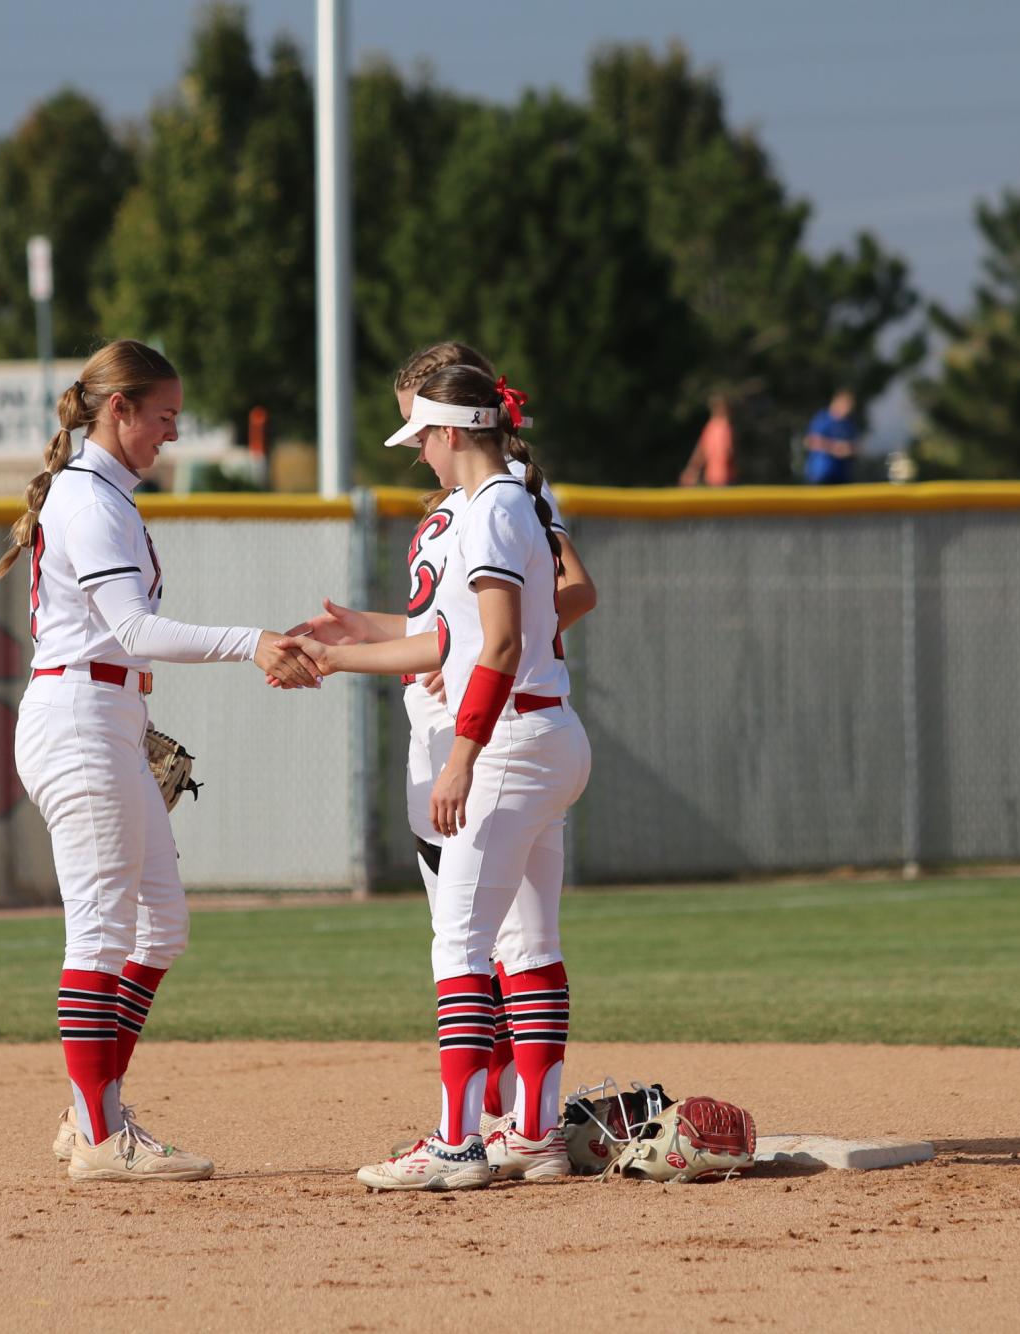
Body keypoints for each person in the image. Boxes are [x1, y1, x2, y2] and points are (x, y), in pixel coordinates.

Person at [0, 338, 318, 1183]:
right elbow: (133, 631)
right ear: (119, 409)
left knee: (159, 926)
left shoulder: (102, 494)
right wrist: (251, 643)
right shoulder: (89, 499)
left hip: (105, 710)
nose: (172, 432)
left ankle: (89, 1109)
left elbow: (121, 641)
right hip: (78, 713)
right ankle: (102, 1135)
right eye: (163, 416)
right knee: (99, 929)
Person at [289, 341, 596, 1180]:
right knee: (527, 942)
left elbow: (495, 642)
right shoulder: (498, 503)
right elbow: (461, 635)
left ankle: (459, 1141)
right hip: (542, 732)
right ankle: (531, 1132)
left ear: (452, 429)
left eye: (420, 434)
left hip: (501, 740)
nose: (416, 449)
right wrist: (351, 644)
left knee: (461, 943)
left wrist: (462, 752)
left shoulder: (497, 505)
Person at [802, 389, 859, 484]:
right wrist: (834, 447)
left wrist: (849, 449)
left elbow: (855, 447)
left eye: (849, 406)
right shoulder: (822, 419)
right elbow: (809, 441)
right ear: (836, 401)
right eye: (845, 404)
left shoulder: (848, 424)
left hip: (842, 477)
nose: (847, 409)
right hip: (820, 475)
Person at [680, 393, 735, 487]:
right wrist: (692, 470)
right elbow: (701, 450)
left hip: (724, 476)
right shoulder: (714, 427)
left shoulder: (723, 426)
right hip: (715, 476)